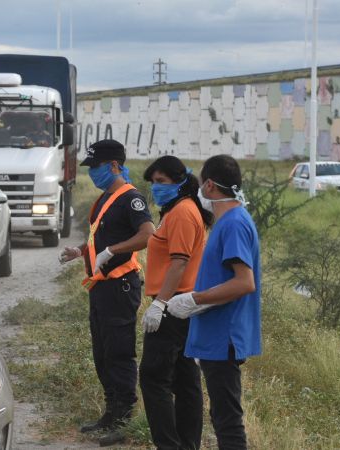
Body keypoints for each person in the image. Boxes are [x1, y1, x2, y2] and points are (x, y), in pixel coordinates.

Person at [59, 139, 154, 447]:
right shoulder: (103, 200)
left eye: (97, 167)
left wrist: (113, 249)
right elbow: (97, 241)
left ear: (114, 166)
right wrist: (80, 252)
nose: (93, 173)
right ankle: (111, 411)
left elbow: (147, 235)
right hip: (100, 287)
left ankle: (125, 417)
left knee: (119, 352)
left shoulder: (131, 199)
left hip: (121, 286)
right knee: (101, 352)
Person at [166, 154, 261, 450]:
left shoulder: (233, 223)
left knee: (228, 420)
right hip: (216, 335)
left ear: (209, 185)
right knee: (221, 415)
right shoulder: (228, 221)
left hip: (225, 336)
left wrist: (194, 299)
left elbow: (244, 282)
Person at [139, 155, 213, 450]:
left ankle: (170, 444)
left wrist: (160, 305)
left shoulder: (182, 212)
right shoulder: (180, 209)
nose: (156, 187)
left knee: (153, 379)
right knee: (185, 380)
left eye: (161, 182)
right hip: (181, 304)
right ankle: (187, 444)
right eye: (153, 182)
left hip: (173, 305)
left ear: (180, 182)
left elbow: (179, 263)